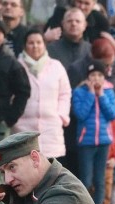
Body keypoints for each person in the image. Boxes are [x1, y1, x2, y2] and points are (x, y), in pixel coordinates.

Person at [14, 30, 72, 160]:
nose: (35, 46)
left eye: (39, 42)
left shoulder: (56, 66)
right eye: (31, 43)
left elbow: (65, 93)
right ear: (24, 46)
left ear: (44, 44)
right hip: (22, 126)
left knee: (50, 172)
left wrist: (61, 115)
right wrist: (14, 117)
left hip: (51, 127)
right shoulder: (16, 66)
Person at [73, 60, 115, 204]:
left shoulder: (109, 93)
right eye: (93, 75)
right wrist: (92, 95)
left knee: (100, 180)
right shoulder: (79, 92)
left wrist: (102, 96)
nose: (96, 78)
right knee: (86, 180)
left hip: (104, 142)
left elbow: (112, 115)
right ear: (87, 77)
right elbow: (80, 114)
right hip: (86, 141)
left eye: (99, 75)